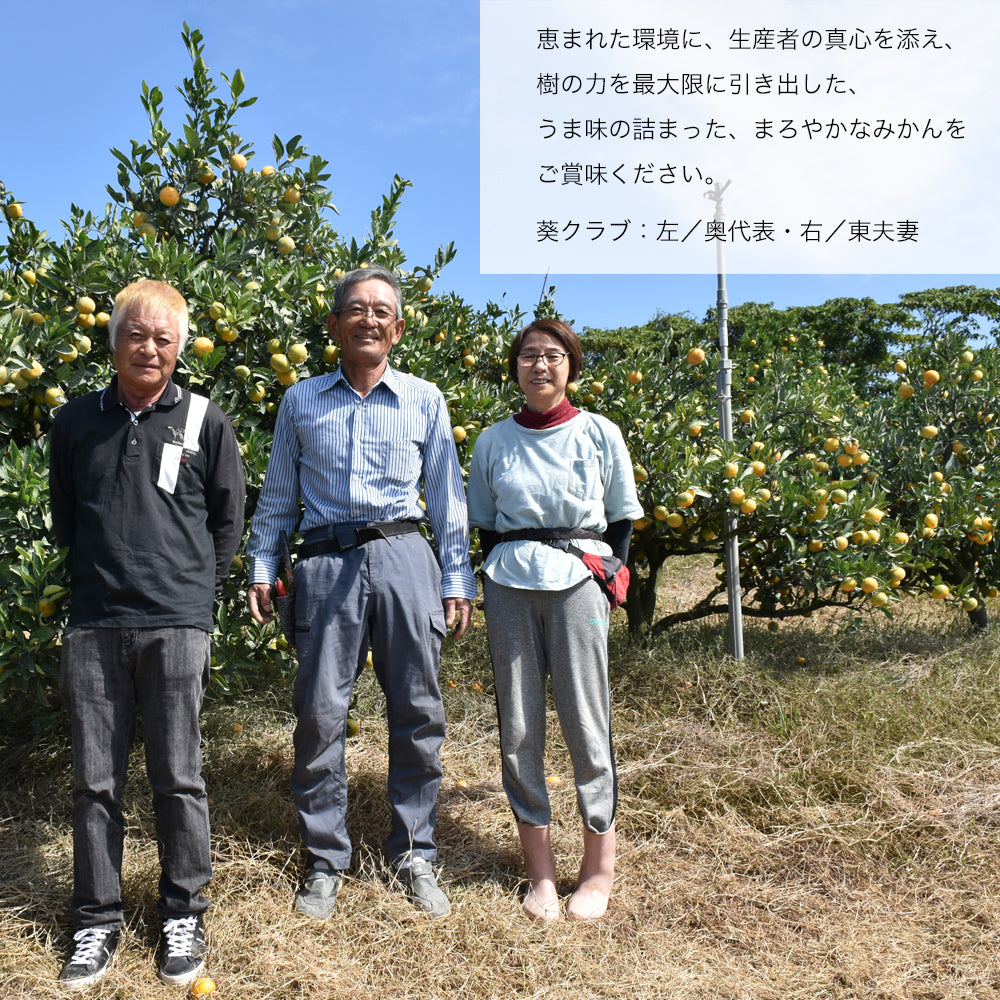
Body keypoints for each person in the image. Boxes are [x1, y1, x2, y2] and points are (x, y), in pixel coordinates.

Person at [246, 264, 475, 920]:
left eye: (382, 311)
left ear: (397, 329)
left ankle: (414, 850)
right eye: (357, 309)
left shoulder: (425, 399)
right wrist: (264, 563)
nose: (369, 319)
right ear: (334, 325)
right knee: (320, 713)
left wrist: (456, 575)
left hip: (406, 555)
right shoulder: (301, 400)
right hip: (324, 562)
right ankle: (325, 858)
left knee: (418, 710)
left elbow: (447, 499)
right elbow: (279, 498)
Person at [48, 279, 246, 989]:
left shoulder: (204, 420)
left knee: (179, 777)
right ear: (114, 340)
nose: (150, 347)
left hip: (176, 625)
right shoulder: (75, 422)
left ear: (181, 347)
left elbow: (228, 521)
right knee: (94, 783)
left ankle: (183, 911)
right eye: (137, 333)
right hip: (97, 623)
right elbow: (67, 516)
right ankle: (96, 919)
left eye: (164, 337)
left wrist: (191, 592)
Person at [466, 318, 643, 922]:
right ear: (514, 367)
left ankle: (598, 869)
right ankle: (540, 872)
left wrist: (610, 575)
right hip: (510, 582)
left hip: (578, 582)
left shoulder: (599, 432)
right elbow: (486, 523)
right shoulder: (492, 440)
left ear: (571, 364)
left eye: (552, 356)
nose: (539, 366)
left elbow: (621, 519)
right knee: (518, 726)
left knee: (587, 722)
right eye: (528, 357)